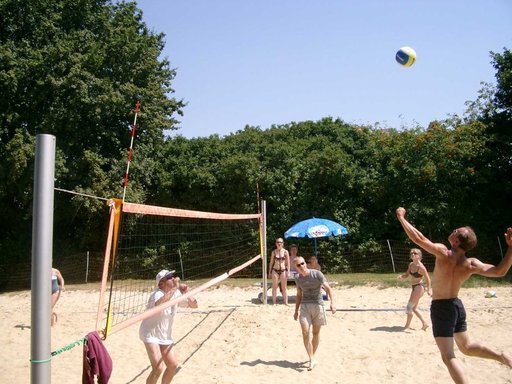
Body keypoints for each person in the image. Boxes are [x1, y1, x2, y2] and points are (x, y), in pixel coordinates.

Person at [396, 207, 512, 383]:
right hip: (456, 306)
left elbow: (418, 238)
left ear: (457, 241)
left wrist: (401, 217)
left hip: (442, 308)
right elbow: (500, 271)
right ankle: (502, 356)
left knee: (448, 356)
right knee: (466, 347)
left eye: (455, 231)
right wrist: (511, 249)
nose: (452, 231)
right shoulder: (471, 263)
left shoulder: (444, 252)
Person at [139, 269, 198, 384]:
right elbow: (159, 304)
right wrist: (176, 287)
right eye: (170, 277)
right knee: (158, 368)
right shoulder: (157, 294)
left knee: (172, 365)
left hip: (164, 335)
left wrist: (186, 292)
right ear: (161, 283)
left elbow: (194, 305)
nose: (173, 278)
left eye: (172, 276)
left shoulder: (175, 293)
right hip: (150, 334)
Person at [293, 256, 336, 371]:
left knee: (316, 333)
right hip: (305, 306)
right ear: (295, 268)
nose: (301, 266)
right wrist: (296, 310)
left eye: (302, 263)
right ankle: (312, 359)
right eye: (298, 265)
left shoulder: (317, 274)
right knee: (305, 332)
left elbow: (328, 289)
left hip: (318, 305)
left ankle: (312, 356)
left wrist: (332, 303)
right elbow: (298, 295)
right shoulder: (297, 278)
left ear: (305, 263)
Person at [397, 248, 431, 331]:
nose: (413, 254)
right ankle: (425, 323)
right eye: (412, 253)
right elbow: (407, 274)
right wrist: (402, 276)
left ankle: (407, 326)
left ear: (419, 256)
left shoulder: (421, 267)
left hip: (419, 287)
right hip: (414, 287)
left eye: (415, 253)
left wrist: (429, 289)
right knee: (414, 308)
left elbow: (428, 279)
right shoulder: (411, 264)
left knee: (409, 307)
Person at [268, 238, 290, 305]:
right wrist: (269, 272)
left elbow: (288, 263)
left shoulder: (286, 252)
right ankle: (274, 302)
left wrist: (288, 271)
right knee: (274, 286)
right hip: (275, 270)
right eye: (278, 242)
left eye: (280, 242)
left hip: (283, 270)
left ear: (283, 243)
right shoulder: (274, 252)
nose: (279, 243)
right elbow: (271, 262)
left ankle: (286, 302)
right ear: (276, 243)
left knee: (284, 288)